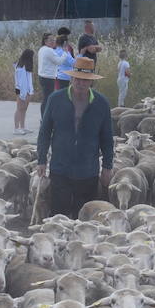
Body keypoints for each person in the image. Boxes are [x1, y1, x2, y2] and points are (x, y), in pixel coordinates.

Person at [36, 57, 114, 219]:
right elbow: (44, 131)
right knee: (58, 216)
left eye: (85, 80)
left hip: (88, 171)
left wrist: (107, 166)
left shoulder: (101, 103)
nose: (81, 83)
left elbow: (107, 137)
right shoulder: (56, 99)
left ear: (91, 81)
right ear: (72, 78)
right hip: (60, 169)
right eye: (78, 79)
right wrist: (41, 159)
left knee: (85, 218)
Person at [13, 47, 35, 134]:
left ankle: (22, 127)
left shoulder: (26, 66)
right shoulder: (21, 67)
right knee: (19, 108)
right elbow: (22, 83)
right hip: (21, 90)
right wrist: (23, 94)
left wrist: (30, 91)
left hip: (27, 91)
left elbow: (29, 81)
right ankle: (16, 128)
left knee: (24, 109)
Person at [36, 32, 59, 111]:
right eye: (51, 40)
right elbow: (58, 61)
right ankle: (44, 119)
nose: (53, 41)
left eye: (54, 40)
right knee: (47, 99)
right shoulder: (49, 50)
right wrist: (65, 53)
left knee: (46, 98)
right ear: (45, 41)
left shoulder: (42, 49)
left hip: (42, 77)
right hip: (48, 78)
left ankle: (44, 119)